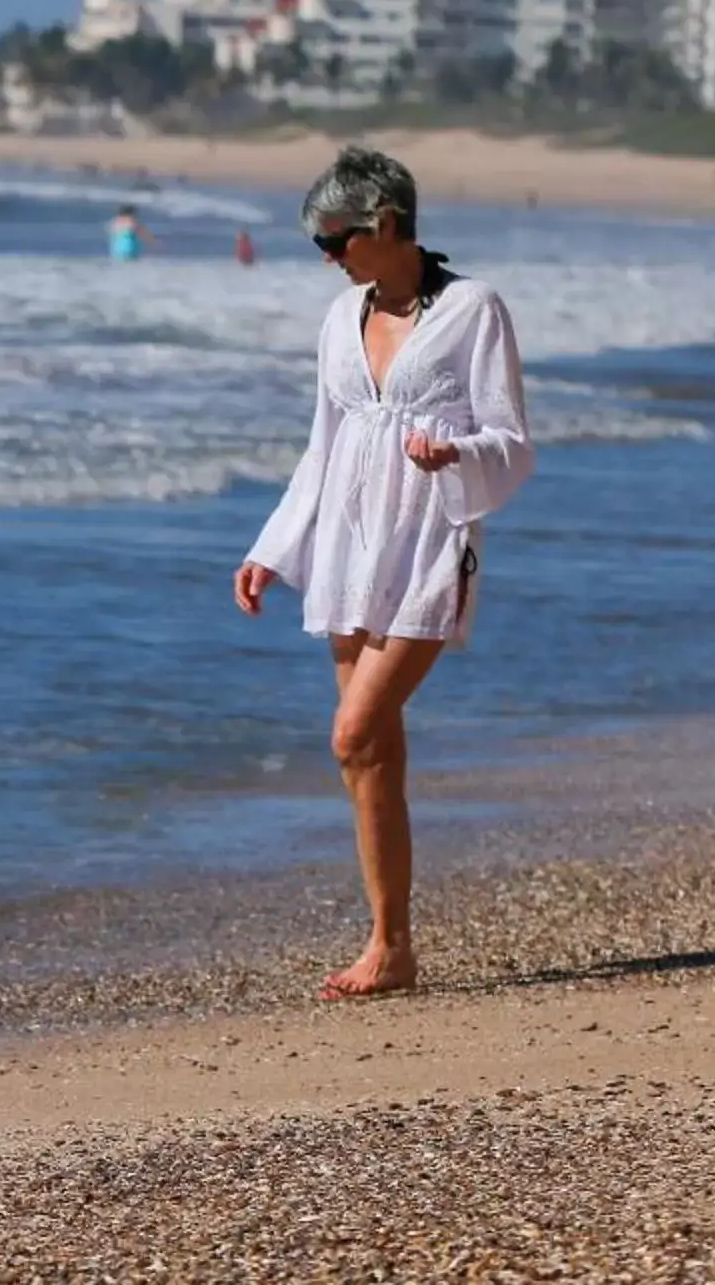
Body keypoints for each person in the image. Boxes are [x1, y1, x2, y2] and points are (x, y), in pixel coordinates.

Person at [231, 146, 533, 1000]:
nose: (328, 258)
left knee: (352, 734)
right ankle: (391, 946)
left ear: (387, 223)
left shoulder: (474, 309)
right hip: (348, 550)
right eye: (320, 244)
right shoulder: (340, 318)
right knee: (373, 757)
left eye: (336, 240)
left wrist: (455, 452)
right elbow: (323, 447)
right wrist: (272, 547)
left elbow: (511, 444)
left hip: (430, 542)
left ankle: (390, 945)